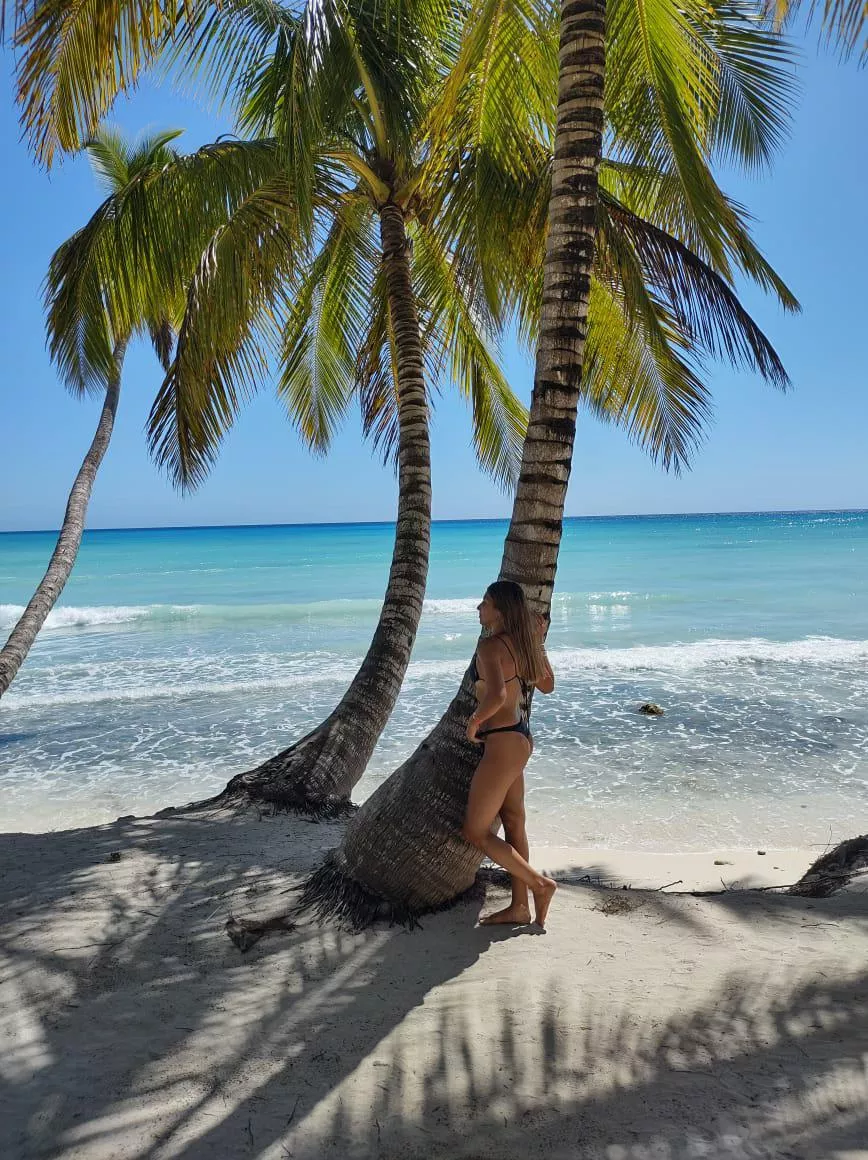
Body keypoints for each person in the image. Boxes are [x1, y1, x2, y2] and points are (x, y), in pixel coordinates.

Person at [461, 580, 557, 927]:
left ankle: (540, 885)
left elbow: (497, 696)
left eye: (485, 602)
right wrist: (539, 643)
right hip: (520, 738)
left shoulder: (489, 646)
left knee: (474, 831)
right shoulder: (522, 645)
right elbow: (547, 685)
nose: (479, 608)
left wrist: (474, 722)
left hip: (502, 743)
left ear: (500, 610)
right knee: (514, 822)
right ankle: (520, 907)